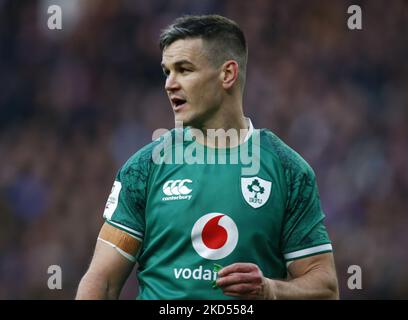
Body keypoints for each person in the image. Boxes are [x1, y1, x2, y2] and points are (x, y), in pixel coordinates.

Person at [76, 14, 339, 300]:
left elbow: (325, 288)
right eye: (167, 72)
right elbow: (101, 282)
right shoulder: (144, 168)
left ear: (227, 74)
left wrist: (271, 290)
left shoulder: (287, 170)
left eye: (184, 70)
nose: (170, 84)